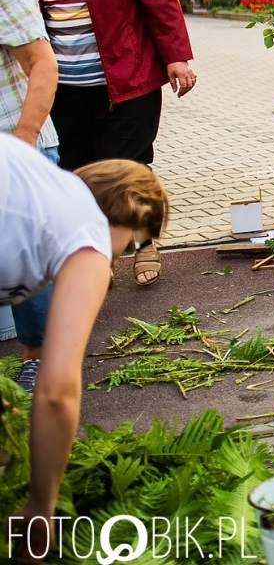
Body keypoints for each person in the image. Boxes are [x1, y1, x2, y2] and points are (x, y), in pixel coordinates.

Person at [14, 0, 196, 287]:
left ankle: (144, 240)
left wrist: (177, 55)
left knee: (130, 166)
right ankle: (98, 251)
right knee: (76, 171)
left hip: (127, 77)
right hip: (64, 86)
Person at [1, 138, 168, 550]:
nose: (116, 258)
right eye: (130, 245)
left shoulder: (33, 178)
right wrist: (41, 505)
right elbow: (57, 390)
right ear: (129, 205)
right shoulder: (87, 233)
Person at [0, 0, 60, 394]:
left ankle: (41, 356)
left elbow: (42, 63)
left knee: (26, 258)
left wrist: (23, 141)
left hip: (14, 142)